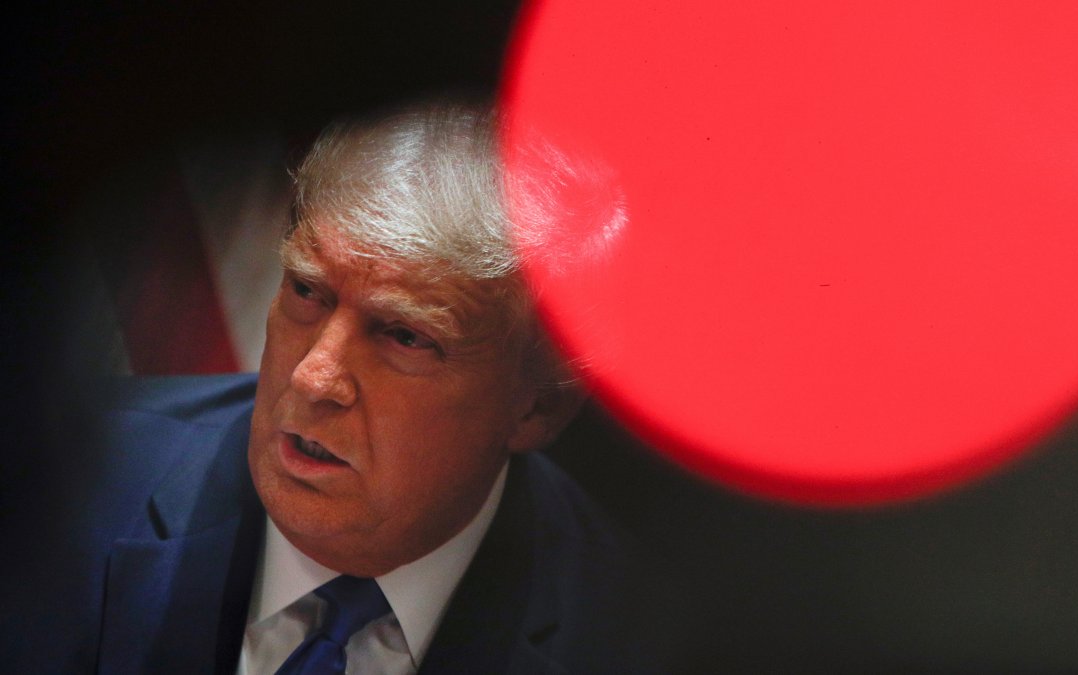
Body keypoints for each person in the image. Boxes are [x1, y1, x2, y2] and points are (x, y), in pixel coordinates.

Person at [7, 101, 657, 674]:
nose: (313, 376)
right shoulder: (47, 495)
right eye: (306, 292)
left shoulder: (640, 637)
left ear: (538, 405)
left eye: (403, 335)